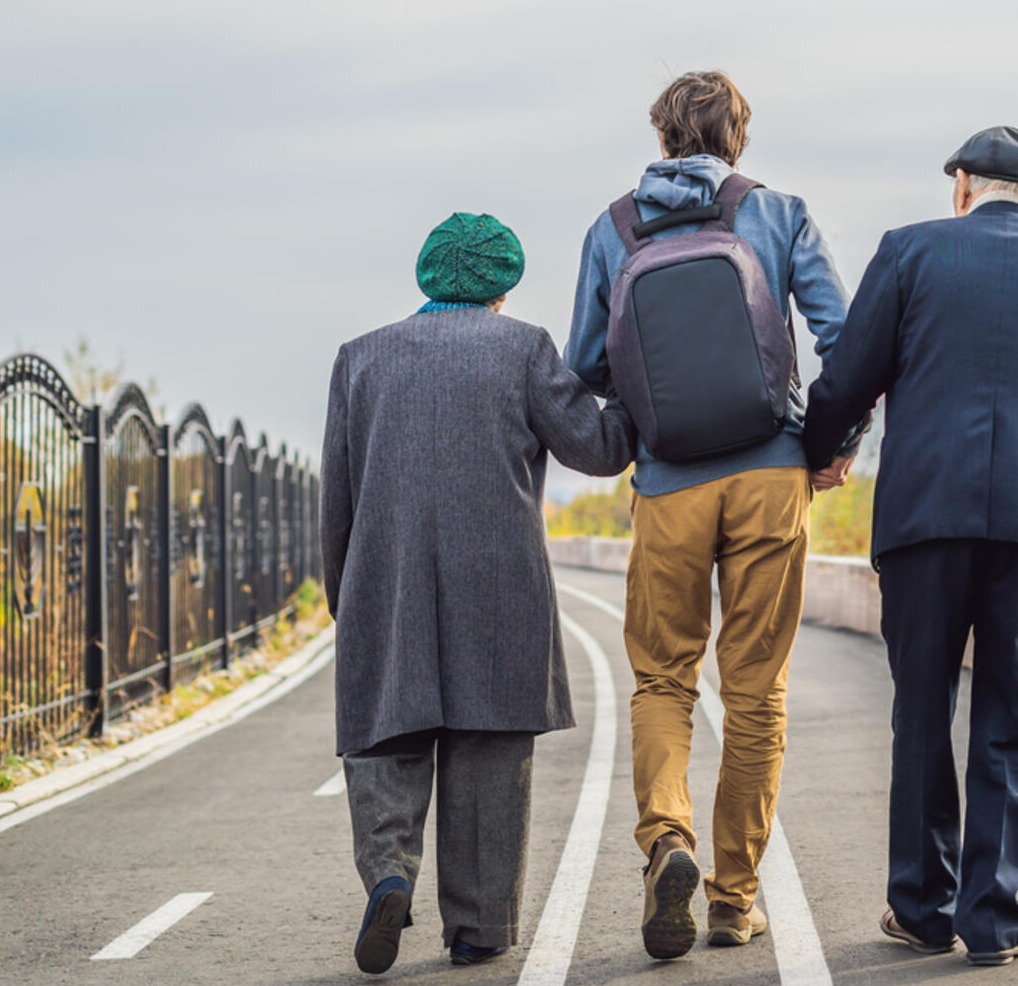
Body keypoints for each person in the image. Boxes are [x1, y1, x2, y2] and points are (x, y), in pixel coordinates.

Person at [802, 126, 1018, 967]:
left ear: (962, 186)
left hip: (923, 518)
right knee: (1013, 714)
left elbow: (848, 376)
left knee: (920, 708)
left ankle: (921, 907)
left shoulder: (909, 252)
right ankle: (991, 920)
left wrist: (823, 453)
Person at [564, 70, 859, 960]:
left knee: (662, 681)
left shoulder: (612, 229)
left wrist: (647, 432)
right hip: (772, 477)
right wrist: (831, 448)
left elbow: (585, 367)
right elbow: (843, 337)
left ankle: (669, 841)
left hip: (670, 485)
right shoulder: (779, 213)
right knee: (756, 693)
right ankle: (735, 900)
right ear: (739, 138)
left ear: (661, 139)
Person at [321, 212, 635, 975]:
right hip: (499, 586)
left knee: (386, 740)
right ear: (501, 287)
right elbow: (596, 448)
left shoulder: (360, 360)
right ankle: (477, 928)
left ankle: (391, 873)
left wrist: (348, 598)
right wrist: (633, 391)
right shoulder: (523, 347)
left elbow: (339, 494)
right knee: (489, 750)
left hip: (386, 580)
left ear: (427, 276)